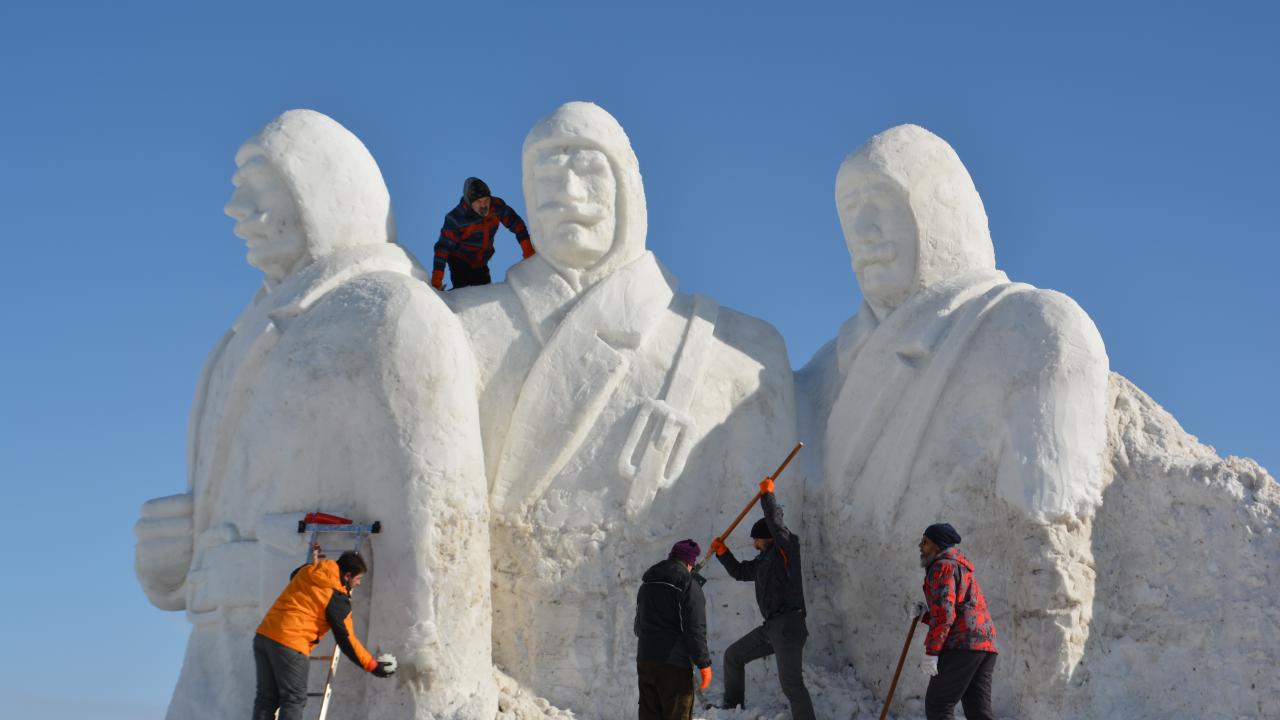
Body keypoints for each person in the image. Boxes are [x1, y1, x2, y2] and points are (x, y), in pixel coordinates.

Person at [441, 102, 798, 715]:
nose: (564, 193)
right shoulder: (456, 326)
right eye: (545, 176)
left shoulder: (741, 350)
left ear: (629, 189)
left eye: (588, 170)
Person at [799, 123, 1108, 715]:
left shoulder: (1031, 326)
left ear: (938, 209)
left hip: (971, 648)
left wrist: (938, 643)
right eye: (850, 212)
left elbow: (1054, 550)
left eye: (884, 205)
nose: (863, 234)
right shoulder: (824, 373)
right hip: (950, 645)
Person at [709, 478, 815, 719]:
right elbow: (739, 572)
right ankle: (732, 708)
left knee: (792, 685)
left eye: (756, 539)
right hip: (772, 628)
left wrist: (768, 497)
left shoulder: (787, 550)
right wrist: (724, 554)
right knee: (733, 656)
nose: (754, 544)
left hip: (789, 626)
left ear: (767, 537)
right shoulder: (762, 561)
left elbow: (776, 525)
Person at [252, 551, 396, 720]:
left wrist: (314, 564)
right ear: (347, 575)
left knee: (266, 698)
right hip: (291, 644)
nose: (358, 583)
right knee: (293, 700)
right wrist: (372, 665)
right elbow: (346, 640)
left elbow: (294, 575)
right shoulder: (336, 598)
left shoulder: (308, 570)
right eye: (358, 579)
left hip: (264, 636)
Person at [914, 523, 998, 720]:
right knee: (979, 712)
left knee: (938, 706)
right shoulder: (961, 568)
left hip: (962, 645)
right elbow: (962, 610)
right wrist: (924, 616)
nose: (920, 546)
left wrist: (932, 652)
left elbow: (945, 615)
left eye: (925, 542)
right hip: (985, 645)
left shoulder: (942, 567)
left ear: (937, 545)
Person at [634, 539, 713, 720]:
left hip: (645, 660)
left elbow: (638, 624)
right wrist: (703, 663)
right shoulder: (688, 584)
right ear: (689, 563)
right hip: (673, 666)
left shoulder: (647, 584)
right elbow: (695, 629)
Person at [431, 176, 534, 289]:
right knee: (464, 290)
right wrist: (437, 278)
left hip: (481, 262)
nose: (484, 205)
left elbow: (517, 224)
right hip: (460, 259)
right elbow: (443, 248)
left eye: (486, 200)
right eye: (479, 201)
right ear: (470, 202)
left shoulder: (497, 207)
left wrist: (527, 249)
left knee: (483, 292)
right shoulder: (456, 218)